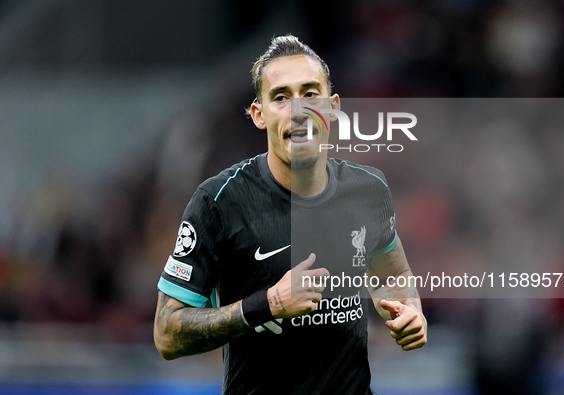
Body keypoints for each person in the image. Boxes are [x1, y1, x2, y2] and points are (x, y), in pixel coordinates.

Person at [153, 35, 427, 394]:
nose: (299, 111)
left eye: (310, 94)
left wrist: (409, 311)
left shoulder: (369, 189)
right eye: (281, 97)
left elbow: (393, 273)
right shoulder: (218, 202)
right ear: (259, 114)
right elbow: (167, 334)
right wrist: (267, 304)